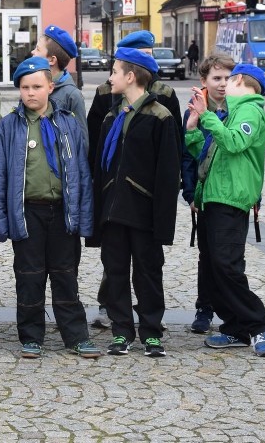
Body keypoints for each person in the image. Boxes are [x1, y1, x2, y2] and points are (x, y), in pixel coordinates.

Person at [0, 56, 101, 359]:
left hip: (63, 212)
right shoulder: (9, 126)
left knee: (66, 274)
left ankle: (76, 335)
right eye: (25, 87)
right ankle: (30, 334)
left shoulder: (68, 123)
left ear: (51, 86)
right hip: (27, 213)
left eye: (37, 86)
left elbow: (82, 174)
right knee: (29, 276)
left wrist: (85, 216)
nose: (31, 93)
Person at [89, 48, 179, 357]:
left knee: (148, 271)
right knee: (114, 271)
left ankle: (151, 331)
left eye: (114, 71)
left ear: (130, 76)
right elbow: (99, 168)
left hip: (144, 210)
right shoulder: (112, 115)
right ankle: (122, 330)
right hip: (114, 211)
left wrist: (163, 223)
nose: (110, 77)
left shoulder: (160, 117)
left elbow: (168, 174)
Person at [185, 64, 265, 357]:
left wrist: (208, 116)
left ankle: (256, 324)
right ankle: (235, 328)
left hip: (231, 200)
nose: (223, 85)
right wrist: (193, 129)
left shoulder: (249, 110)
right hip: (214, 197)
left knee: (227, 266)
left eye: (228, 79)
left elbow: (235, 143)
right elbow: (209, 154)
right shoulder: (230, 113)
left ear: (239, 80)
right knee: (215, 269)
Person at [180, 52, 235, 334]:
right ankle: (205, 307)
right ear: (204, 80)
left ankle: (230, 308)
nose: (223, 84)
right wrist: (190, 194)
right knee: (208, 254)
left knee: (230, 257)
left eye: (227, 77)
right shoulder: (195, 110)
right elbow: (187, 158)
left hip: (230, 193)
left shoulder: (239, 108)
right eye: (217, 78)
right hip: (204, 193)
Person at [32, 25, 87, 134]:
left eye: (38, 49)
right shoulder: (30, 86)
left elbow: (81, 139)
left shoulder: (72, 95)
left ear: (52, 60)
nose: (32, 52)